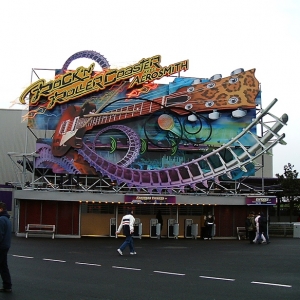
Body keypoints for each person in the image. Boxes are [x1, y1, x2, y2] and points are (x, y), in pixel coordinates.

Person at [0, 202, 12, 293]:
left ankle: (7, 286)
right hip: (5, 246)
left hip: (1, 246)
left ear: (1, 209)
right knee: (3, 266)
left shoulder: (1, 220)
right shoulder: (7, 219)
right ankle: (7, 286)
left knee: (3, 266)